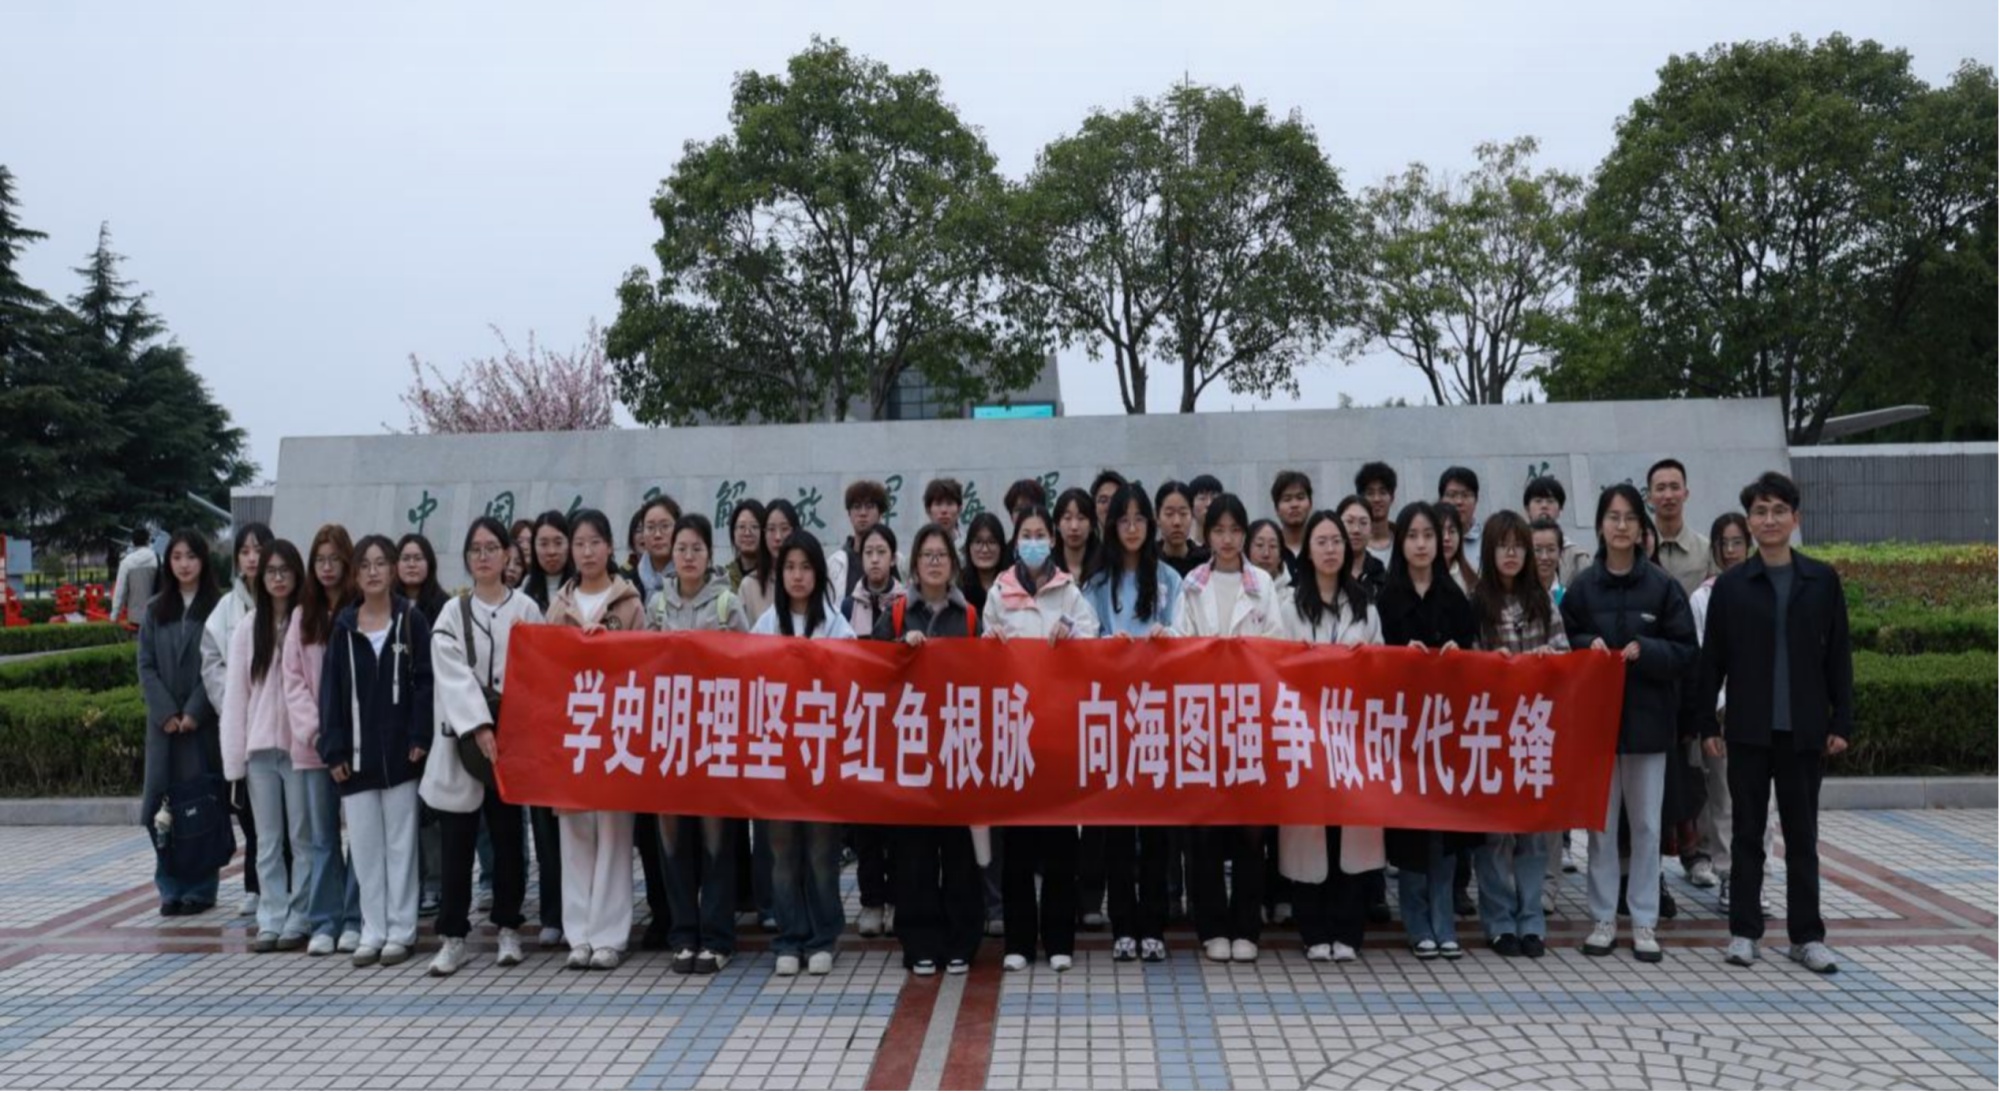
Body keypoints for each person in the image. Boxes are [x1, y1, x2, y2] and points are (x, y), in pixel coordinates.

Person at [1697, 472, 1851, 975]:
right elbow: (1712, 660)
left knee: (1803, 836)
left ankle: (1807, 937)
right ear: (1749, 521)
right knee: (1747, 833)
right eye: (1760, 512)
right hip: (1748, 729)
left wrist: (1842, 719)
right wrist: (1707, 724)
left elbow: (1839, 657)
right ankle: (1744, 932)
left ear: (1795, 518)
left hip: (1804, 730)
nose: (1769, 520)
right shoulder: (1732, 587)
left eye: (1778, 511)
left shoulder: (1821, 581)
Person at [1561, 484, 1699, 964]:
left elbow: (1686, 651)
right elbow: (1564, 639)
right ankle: (1602, 918)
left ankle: (1643, 920)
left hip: (1648, 726)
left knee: (1646, 826)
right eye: (1612, 517)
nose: (1620, 526)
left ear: (1642, 528)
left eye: (1629, 518)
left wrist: (1649, 650)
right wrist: (1587, 646)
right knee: (1600, 827)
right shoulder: (1583, 587)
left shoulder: (1662, 586)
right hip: (1597, 729)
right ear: (1600, 525)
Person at [421, 517, 541, 977]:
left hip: (512, 745)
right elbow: (450, 674)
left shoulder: (526, 608)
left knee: (509, 840)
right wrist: (479, 725)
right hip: (462, 746)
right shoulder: (453, 612)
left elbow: (539, 669)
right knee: (457, 843)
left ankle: (509, 926)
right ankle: (453, 935)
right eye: (476, 549)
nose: (484, 556)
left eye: (492, 547)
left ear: (508, 553)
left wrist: (512, 726)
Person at [984, 504, 1099, 972]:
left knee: (1059, 845)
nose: (1033, 541)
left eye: (1039, 533)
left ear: (1052, 539)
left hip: (1058, 730)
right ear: (1016, 542)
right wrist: (990, 643)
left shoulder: (1069, 591)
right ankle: (1018, 942)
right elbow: (983, 653)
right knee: (1017, 845)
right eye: (1025, 534)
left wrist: (1072, 633)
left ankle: (1058, 941)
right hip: (1015, 731)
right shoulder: (999, 591)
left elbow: (1092, 639)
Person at [1176, 494, 1287, 963]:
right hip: (1203, 719)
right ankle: (1212, 926)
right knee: (1204, 828)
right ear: (1207, 535)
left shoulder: (1262, 583)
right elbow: (1180, 646)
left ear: (1244, 534)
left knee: (1251, 829)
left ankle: (1246, 926)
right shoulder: (1191, 585)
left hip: (1249, 718)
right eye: (1218, 530)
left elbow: (1277, 644)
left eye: (1234, 530)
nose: (1227, 539)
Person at [872, 524, 985, 976]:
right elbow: (872, 672)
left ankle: (961, 941)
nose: (935, 563)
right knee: (914, 854)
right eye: (927, 555)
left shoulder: (970, 616)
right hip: (912, 751)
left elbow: (988, 679)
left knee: (959, 854)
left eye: (942, 555)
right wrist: (900, 651)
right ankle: (919, 941)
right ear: (914, 565)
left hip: (957, 749)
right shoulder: (897, 615)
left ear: (953, 565)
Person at [319, 535, 434, 969]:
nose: (373, 572)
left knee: (402, 845)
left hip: (402, 756)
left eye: (380, 563)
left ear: (392, 570)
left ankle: (401, 930)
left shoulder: (410, 621)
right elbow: (331, 694)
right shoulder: (344, 628)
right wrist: (333, 751)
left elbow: (425, 683)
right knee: (366, 849)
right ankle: (373, 928)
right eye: (365, 565)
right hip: (356, 758)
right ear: (355, 574)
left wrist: (420, 736)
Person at [1081, 484, 1182, 963]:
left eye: (1141, 518)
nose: (1133, 527)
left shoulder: (1168, 579)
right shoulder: (1097, 583)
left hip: (1159, 713)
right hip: (1114, 715)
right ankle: (1123, 922)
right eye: (1124, 519)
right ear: (1112, 525)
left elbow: (1185, 633)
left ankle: (1153, 924)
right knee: (1118, 826)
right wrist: (1106, 644)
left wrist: (1168, 636)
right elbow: (1085, 637)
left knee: (1157, 827)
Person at [647, 513, 752, 976]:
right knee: (672, 841)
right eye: (681, 548)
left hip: (715, 735)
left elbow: (750, 667)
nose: (688, 556)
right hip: (668, 737)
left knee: (715, 843)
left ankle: (717, 937)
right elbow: (639, 664)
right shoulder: (656, 605)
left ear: (711, 554)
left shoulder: (728, 604)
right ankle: (683, 935)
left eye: (697, 548)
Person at [1376, 502, 1481, 959]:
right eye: (1413, 536)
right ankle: (1416, 921)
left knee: (1444, 829)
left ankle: (1444, 920)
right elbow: (1374, 661)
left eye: (1428, 536)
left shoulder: (1455, 596)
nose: (1421, 544)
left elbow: (1474, 657)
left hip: (1446, 730)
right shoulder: (1386, 598)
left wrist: (1458, 655)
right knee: (1411, 830)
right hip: (1403, 731)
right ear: (1401, 543)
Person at [1277, 510, 1382, 963]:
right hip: (1305, 734)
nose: (1330, 549)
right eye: (1321, 541)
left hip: (1352, 737)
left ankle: (1348, 929)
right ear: (1308, 551)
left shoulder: (1366, 606)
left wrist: (1366, 660)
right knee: (1309, 834)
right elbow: (1274, 667)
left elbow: (1383, 665)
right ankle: (1313, 929)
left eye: (1336, 540)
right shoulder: (1288, 607)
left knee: (1349, 834)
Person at [752, 532, 858, 977]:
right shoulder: (765, 624)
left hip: (821, 756)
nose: (797, 576)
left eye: (806, 567)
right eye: (790, 568)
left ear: (819, 573)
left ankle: (823, 936)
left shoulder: (836, 624)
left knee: (820, 851)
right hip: (777, 756)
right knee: (781, 852)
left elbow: (853, 676)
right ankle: (789, 938)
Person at [545, 509, 647, 971]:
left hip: (616, 731)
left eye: (594, 543)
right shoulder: (558, 606)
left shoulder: (629, 603)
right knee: (575, 833)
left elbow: (646, 664)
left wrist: (611, 645)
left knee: (614, 833)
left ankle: (609, 934)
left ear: (609, 547)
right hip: (573, 733)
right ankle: (579, 933)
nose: (586, 552)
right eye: (579, 544)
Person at [1469, 511, 1569, 960]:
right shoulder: (1477, 602)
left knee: (1533, 832)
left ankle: (1531, 920)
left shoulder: (1542, 601)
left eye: (1518, 546)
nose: (1511, 554)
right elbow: (1466, 666)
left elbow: (1567, 657)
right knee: (1494, 835)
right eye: (1502, 545)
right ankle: (1498, 921)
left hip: (1533, 731)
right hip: (1491, 732)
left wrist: (1550, 658)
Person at [220, 538, 313, 952]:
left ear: (296, 574)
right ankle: (271, 917)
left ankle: (301, 914)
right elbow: (235, 698)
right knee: (268, 842)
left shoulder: (307, 621)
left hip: (299, 749)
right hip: (259, 752)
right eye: (270, 571)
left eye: (284, 570)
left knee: (302, 837)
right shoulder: (248, 627)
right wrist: (233, 763)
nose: (277, 578)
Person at [283, 524, 363, 956]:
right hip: (315, 748)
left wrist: (346, 734)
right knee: (323, 838)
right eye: (320, 560)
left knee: (361, 836)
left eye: (335, 559)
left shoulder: (360, 611)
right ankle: (324, 921)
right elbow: (293, 680)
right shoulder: (303, 616)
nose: (327, 567)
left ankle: (354, 918)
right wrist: (317, 732)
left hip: (356, 744)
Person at [140, 530, 224, 917]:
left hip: (199, 727)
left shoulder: (217, 608)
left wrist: (193, 711)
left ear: (203, 561)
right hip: (164, 730)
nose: (184, 564)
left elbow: (220, 664)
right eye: (176, 557)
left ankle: (201, 888)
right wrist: (166, 713)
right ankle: (170, 886)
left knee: (199, 805)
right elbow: (146, 666)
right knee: (160, 807)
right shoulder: (155, 609)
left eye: (191, 556)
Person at [1682, 513, 1764, 903]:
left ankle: (1757, 876)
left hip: (1763, 713)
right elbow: (1704, 658)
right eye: (1723, 544)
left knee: (1762, 801)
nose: (1730, 551)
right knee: (1725, 798)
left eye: (1737, 543)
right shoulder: (1704, 597)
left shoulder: (1767, 589)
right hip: (1723, 714)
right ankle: (1730, 873)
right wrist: (1717, 709)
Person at [201, 522, 273, 918]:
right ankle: (255, 886)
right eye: (245, 551)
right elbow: (212, 663)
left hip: (277, 722)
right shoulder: (227, 608)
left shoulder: (287, 600)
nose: (252, 558)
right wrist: (232, 704)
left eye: (258, 550)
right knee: (247, 809)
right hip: (241, 723)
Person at [839, 522, 901, 940]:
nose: (875, 559)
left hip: (899, 726)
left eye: (882, 552)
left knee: (897, 823)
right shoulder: (847, 606)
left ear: (894, 558)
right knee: (865, 826)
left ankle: (896, 898)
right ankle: (871, 901)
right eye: (869, 553)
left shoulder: (907, 602)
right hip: (860, 726)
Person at [519, 510, 573, 945]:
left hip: (577, 719)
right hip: (539, 725)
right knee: (544, 827)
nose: (551, 551)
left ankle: (581, 911)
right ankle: (553, 913)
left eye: (558, 542)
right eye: (543, 543)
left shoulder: (580, 591)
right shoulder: (523, 597)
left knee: (577, 824)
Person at [393, 531, 450, 916]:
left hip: (433, 718)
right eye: (405, 558)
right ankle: (407, 883)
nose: (412, 564)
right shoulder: (385, 608)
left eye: (418, 557)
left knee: (431, 810)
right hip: (395, 721)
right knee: (403, 810)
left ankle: (435, 883)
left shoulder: (443, 607)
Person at [1647, 459, 1715, 595]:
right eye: (1660, 488)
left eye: (1675, 487)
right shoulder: (1639, 548)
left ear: (1685, 494)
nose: (1668, 495)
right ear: (1649, 497)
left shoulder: (1705, 549)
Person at [738, 499, 800, 627]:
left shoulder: (807, 580)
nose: (778, 537)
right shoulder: (749, 586)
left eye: (784, 529)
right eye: (771, 529)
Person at [827, 479, 889, 603]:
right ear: (849, 514)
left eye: (869, 507)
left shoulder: (895, 560)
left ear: (880, 513)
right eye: (857, 507)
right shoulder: (835, 563)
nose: (863, 513)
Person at [1524, 475, 1592, 585]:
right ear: (1527, 509)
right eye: (1538, 501)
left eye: (1550, 501)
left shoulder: (1576, 557)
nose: (1544, 506)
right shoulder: (1517, 550)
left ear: (1560, 509)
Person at [630, 494, 684, 603]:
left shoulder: (692, 577)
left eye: (665, 526)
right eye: (650, 527)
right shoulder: (629, 581)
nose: (657, 534)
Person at [1333, 495, 1388, 598]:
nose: (1356, 530)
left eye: (1363, 523)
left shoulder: (1380, 575)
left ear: (1371, 529)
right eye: (1349, 522)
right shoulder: (1328, 571)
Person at [1154, 480, 1210, 578]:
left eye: (1183, 514)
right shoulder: (1149, 560)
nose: (1177, 522)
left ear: (1192, 515)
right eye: (1169, 514)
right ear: (1157, 517)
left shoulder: (1205, 562)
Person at [958, 512, 1011, 614]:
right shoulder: (958, 589)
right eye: (978, 542)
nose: (985, 550)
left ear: (1001, 547)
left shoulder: (1013, 585)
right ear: (969, 547)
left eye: (992, 542)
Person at [1269, 470, 1313, 582]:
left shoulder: (1320, 546)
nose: (1294, 505)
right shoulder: (1269, 549)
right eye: (1287, 499)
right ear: (1276, 508)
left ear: (1310, 504)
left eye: (1300, 497)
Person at [111, 526, 159, 628]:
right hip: (157, 616)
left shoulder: (126, 563)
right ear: (148, 541)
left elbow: (120, 591)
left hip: (135, 618)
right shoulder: (158, 560)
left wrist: (115, 615)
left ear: (132, 542)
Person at [1354, 462, 1398, 567]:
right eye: (1370, 493)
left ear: (1392, 498)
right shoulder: (1353, 545)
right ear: (1361, 498)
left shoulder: (1402, 541)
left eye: (1382, 492)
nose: (1376, 499)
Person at [1438, 466, 1482, 570]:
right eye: (1452, 495)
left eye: (1465, 495)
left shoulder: (1488, 540)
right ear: (1440, 500)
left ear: (1476, 500)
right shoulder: (1431, 540)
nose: (1459, 502)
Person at [1053, 487, 1100, 584]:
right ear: (1057, 524)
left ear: (1092, 525)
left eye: (1081, 518)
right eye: (1067, 518)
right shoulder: (1047, 568)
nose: (1074, 527)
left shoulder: (1105, 566)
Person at [722, 498, 767, 593]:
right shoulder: (724, 578)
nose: (747, 533)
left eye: (754, 527)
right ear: (733, 532)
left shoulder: (772, 578)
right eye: (742, 526)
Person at [1434, 503, 1478, 595]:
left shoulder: (1472, 578)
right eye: (1440, 531)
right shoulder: (1420, 579)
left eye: (1452, 531)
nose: (1446, 538)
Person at [923, 478, 965, 547]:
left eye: (949, 504)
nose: (944, 510)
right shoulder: (921, 547)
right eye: (938, 504)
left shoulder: (968, 547)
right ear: (928, 510)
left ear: (959, 510)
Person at [1246, 519, 1288, 588]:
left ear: (1280, 556)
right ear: (1247, 551)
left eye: (1272, 546)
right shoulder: (1236, 590)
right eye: (1259, 545)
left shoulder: (1293, 594)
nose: (1266, 554)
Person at [1187, 474, 1224, 546]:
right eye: (1202, 498)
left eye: (1214, 498)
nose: (1209, 504)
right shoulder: (1185, 547)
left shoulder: (1228, 546)